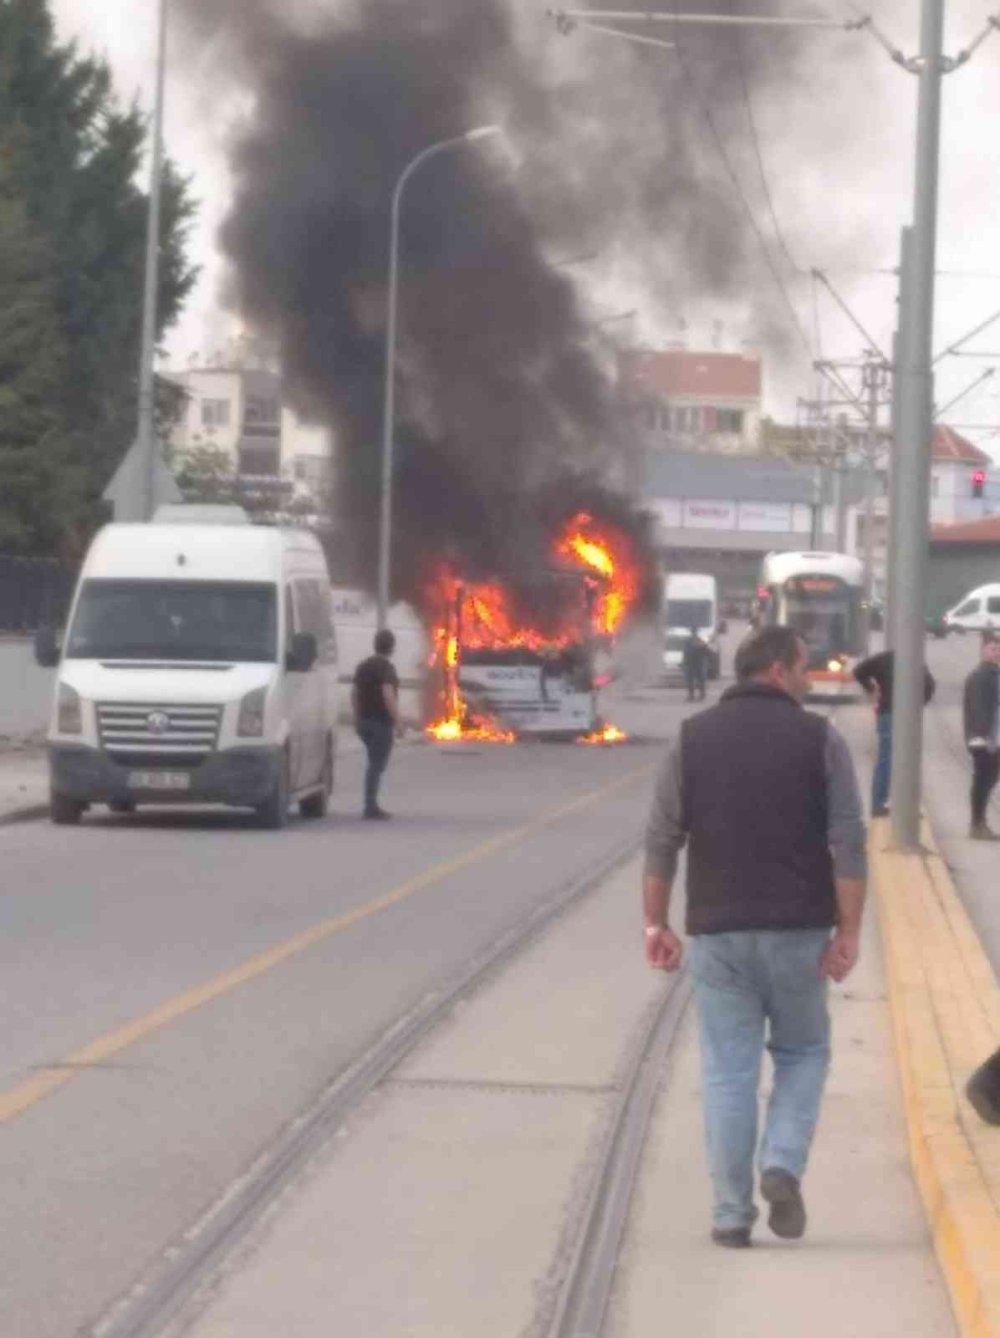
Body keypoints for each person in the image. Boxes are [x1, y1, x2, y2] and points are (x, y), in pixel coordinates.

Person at [643, 625, 867, 1248]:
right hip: (799, 932)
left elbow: (662, 838)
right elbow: (848, 841)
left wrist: (655, 924)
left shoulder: (692, 739)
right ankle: (782, 1164)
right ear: (775, 671)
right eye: (802, 667)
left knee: (727, 1072)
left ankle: (730, 1215)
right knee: (803, 1054)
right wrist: (849, 932)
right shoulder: (821, 739)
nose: (808, 677)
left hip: (719, 934)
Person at [853, 649, 936, 818]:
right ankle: (908, 803)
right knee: (909, 761)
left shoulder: (883, 658)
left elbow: (858, 671)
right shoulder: (915, 658)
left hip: (887, 713)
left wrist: (871, 688)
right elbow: (929, 685)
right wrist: (919, 703)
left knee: (886, 759)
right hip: (908, 716)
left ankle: (878, 803)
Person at [352, 629, 403, 820]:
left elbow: (354, 694)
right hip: (380, 723)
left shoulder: (363, 666)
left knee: (374, 762)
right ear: (392, 648)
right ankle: (370, 806)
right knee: (376, 765)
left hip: (364, 722)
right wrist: (398, 722)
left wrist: (357, 718)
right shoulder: (386, 668)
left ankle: (370, 804)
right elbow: (388, 695)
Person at [963, 631, 1000, 840]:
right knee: (983, 780)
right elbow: (979, 710)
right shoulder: (980, 676)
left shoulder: (993, 673)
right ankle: (977, 824)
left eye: (999, 649)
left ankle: (979, 822)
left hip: (991, 739)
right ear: (983, 650)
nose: (997, 653)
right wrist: (985, 739)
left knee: (989, 778)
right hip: (984, 740)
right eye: (993, 649)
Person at [682, 630, 711, 702]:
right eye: (693, 633)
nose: (694, 634)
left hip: (699, 662)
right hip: (691, 663)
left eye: (694, 633)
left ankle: (701, 694)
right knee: (691, 680)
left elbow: (707, 652)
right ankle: (692, 695)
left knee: (700, 679)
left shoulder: (701, 641)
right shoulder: (688, 641)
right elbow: (685, 652)